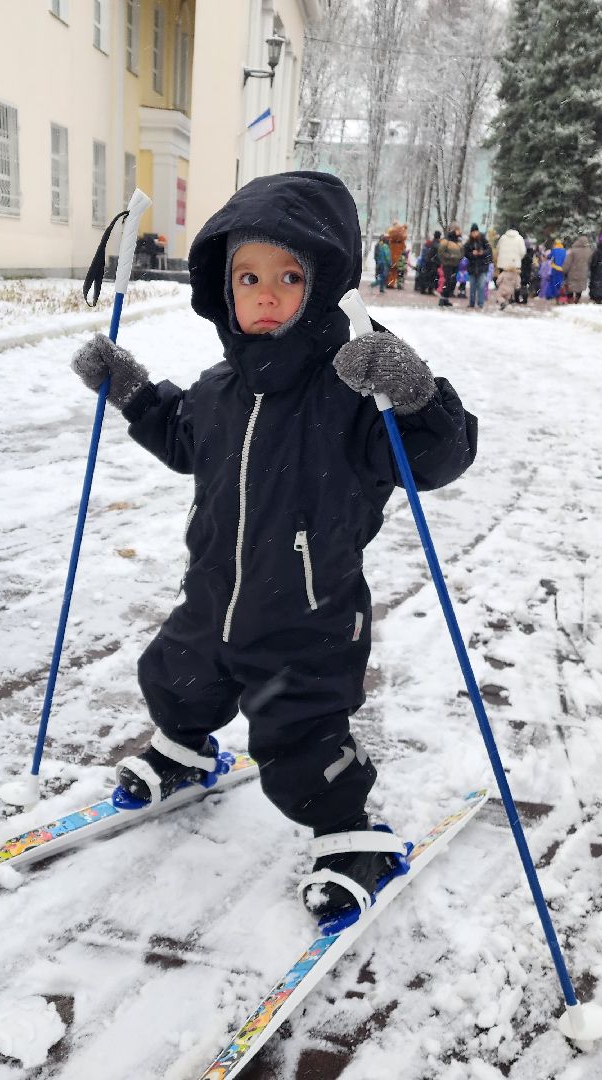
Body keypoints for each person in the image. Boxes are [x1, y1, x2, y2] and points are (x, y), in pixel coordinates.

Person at [69, 171, 479, 924]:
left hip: (307, 618)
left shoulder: (355, 393)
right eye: (248, 276)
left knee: (300, 743)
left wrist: (416, 398)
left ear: (324, 285)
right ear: (222, 288)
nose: (265, 294)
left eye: (290, 276)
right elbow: (184, 437)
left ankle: (350, 834)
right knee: (176, 675)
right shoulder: (221, 387)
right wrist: (133, 394)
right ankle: (185, 751)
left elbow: (435, 459)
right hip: (213, 597)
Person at [463, 224, 493, 309]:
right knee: (472, 286)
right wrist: (472, 254)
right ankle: (471, 303)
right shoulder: (469, 242)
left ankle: (480, 303)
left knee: (481, 286)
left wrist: (482, 253)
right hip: (472, 267)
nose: (474, 234)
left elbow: (489, 252)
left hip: (482, 267)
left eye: (476, 232)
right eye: (473, 232)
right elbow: (465, 253)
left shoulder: (484, 240)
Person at [437, 226, 463, 307]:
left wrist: (459, 257)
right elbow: (441, 252)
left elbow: (462, 252)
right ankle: (442, 299)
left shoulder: (459, 242)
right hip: (447, 264)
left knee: (452, 282)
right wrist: (448, 257)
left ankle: (446, 298)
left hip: (455, 264)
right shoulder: (446, 241)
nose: (459, 232)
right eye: (458, 230)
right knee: (447, 281)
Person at [563, 235, 592, 303]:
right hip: (583, 273)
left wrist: (564, 270)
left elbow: (567, 262)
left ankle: (570, 299)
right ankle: (577, 299)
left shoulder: (573, 251)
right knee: (580, 287)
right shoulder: (589, 252)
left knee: (570, 286)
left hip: (573, 272)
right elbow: (591, 262)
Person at [387, 221, 409, 289]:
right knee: (397, 270)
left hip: (392, 252)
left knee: (392, 269)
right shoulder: (401, 233)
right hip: (398, 254)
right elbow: (404, 236)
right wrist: (404, 229)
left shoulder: (391, 233)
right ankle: (396, 284)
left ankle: (390, 283)